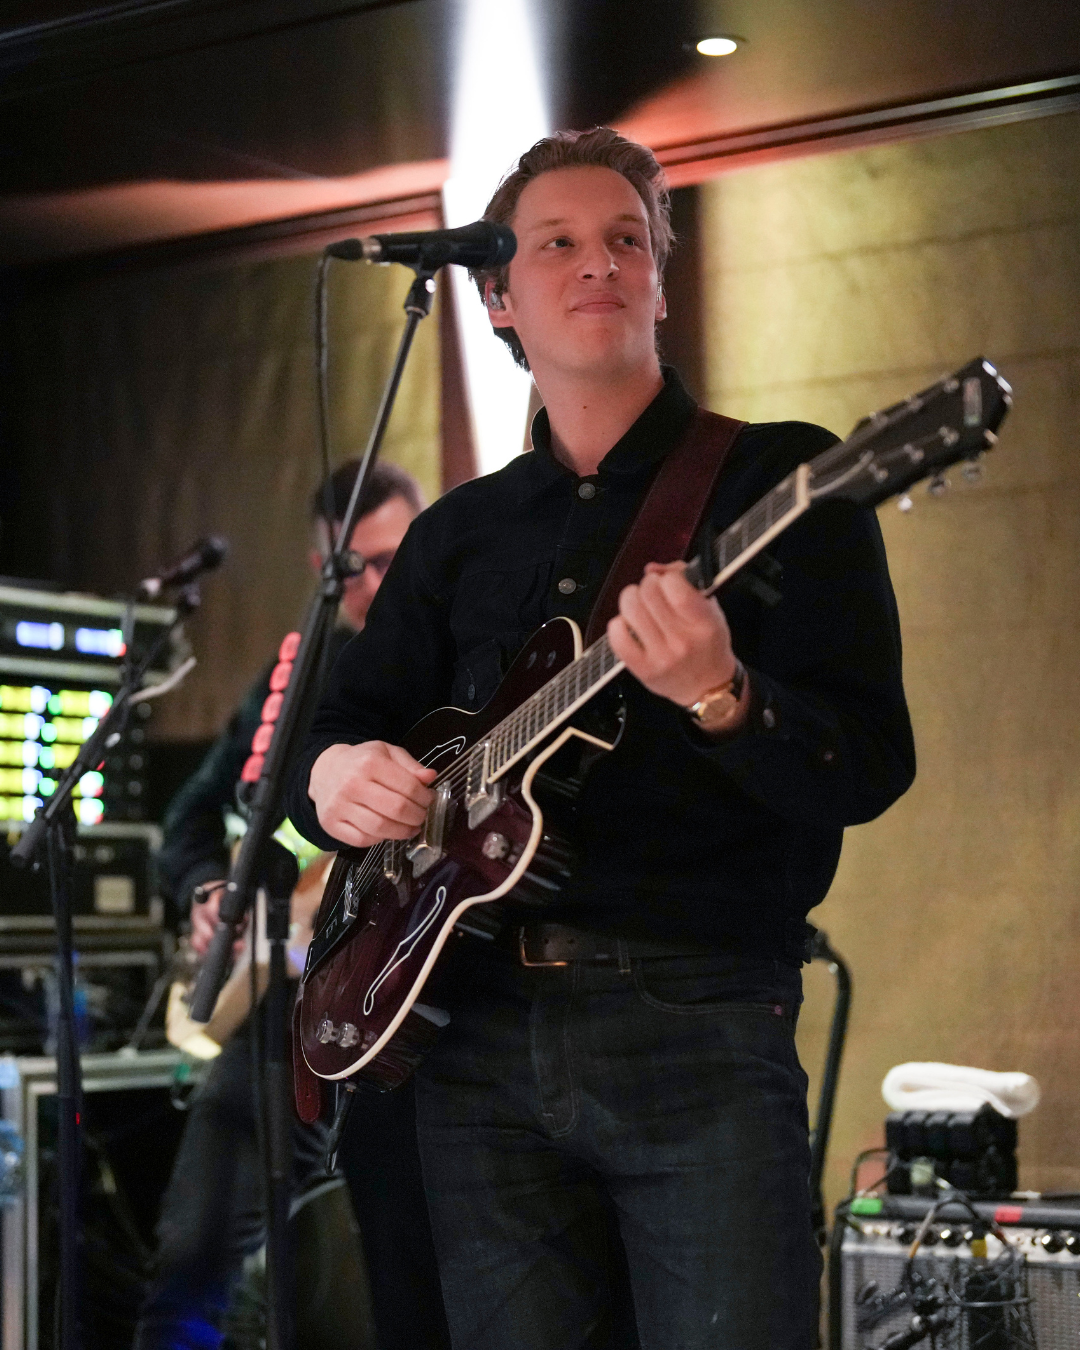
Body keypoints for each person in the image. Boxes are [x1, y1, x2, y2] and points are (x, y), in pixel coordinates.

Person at [285, 127, 916, 1349]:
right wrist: (332, 774)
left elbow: (869, 762)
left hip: (700, 1024)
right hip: (471, 1037)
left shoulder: (786, 482)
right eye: (558, 243)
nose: (598, 263)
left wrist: (726, 694)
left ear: (661, 283)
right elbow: (344, 721)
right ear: (493, 295)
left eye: (627, 240)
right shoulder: (457, 535)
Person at [136, 460, 450, 1350]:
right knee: (193, 1251)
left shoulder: (462, 651)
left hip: (413, 991)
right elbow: (192, 816)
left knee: (404, 1270)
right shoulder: (299, 675)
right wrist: (209, 891)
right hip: (282, 994)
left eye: (392, 559)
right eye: (353, 570)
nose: (374, 585)